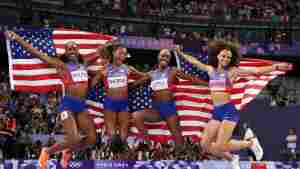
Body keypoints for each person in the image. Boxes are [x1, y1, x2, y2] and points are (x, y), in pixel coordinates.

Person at [176, 40, 292, 169]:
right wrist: (180, 53)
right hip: (216, 112)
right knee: (205, 145)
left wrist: (275, 67)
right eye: (223, 56)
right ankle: (232, 158)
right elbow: (195, 62)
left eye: (229, 57)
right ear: (218, 56)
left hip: (228, 111)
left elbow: (256, 71)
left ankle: (249, 143)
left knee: (220, 146)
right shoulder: (210, 70)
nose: (226, 59)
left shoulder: (233, 72)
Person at [5, 31, 97, 169]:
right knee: (74, 138)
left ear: (78, 51)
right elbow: (37, 53)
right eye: (69, 49)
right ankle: (47, 151)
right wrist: (17, 38)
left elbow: (102, 50)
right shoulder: (60, 65)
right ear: (65, 53)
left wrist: (113, 43)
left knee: (92, 139)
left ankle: (68, 152)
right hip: (68, 104)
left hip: (81, 106)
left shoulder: (85, 63)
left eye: (74, 48)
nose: (72, 50)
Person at [131, 49, 208, 151]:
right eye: (163, 55)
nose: (165, 58)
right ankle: (149, 145)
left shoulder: (173, 70)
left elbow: (192, 79)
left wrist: (209, 85)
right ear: (158, 57)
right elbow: (135, 84)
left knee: (177, 137)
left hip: (169, 108)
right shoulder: (151, 74)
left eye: (167, 57)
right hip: (156, 109)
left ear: (169, 59)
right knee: (136, 115)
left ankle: (182, 156)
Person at [92, 43, 144, 145]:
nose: (122, 55)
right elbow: (93, 83)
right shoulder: (105, 69)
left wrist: (133, 84)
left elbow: (145, 76)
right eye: (120, 53)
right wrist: (100, 75)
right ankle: (113, 148)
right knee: (110, 131)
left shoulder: (128, 68)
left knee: (124, 129)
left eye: (124, 54)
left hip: (124, 103)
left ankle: (120, 151)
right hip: (110, 103)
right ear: (113, 53)